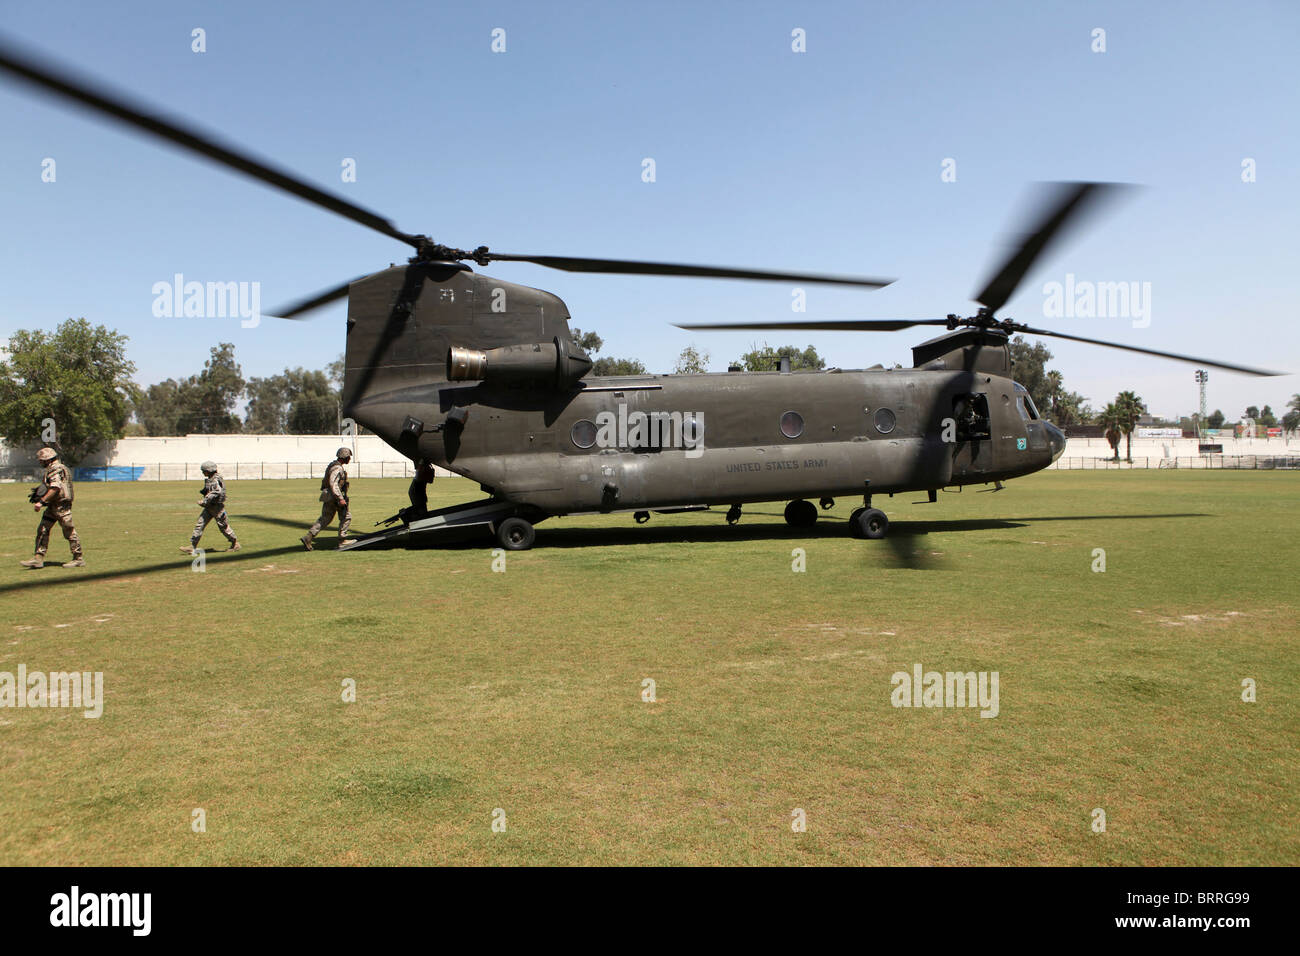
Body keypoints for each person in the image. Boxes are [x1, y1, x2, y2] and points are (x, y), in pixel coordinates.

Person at [20, 446, 83, 569]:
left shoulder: (56, 469)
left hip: (61, 506)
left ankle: (78, 558)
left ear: (48, 459)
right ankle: (38, 558)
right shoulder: (56, 468)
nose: (40, 462)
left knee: (69, 531)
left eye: (41, 460)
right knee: (43, 529)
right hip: (54, 505)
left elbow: (55, 488)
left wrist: (41, 501)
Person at [180, 461, 239, 555]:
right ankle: (192, 546)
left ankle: (235, 543)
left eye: (204, 471)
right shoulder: (211, 478)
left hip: (217, 508)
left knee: (223, 527)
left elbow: (217, 491)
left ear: (209, 470)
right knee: (199, 525)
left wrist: (204, 501)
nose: (203, 473)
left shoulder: (215, 479)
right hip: (209, 507)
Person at [302, 447, 353, 550]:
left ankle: (308, 537)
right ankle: (342, 540)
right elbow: (333, 483)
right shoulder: (337, 468)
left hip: (329, 496)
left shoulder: (332, 465)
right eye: (348, 457)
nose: (349, 459)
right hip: (335, 497)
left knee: (325, 519)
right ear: (344, 457)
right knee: (346, 517)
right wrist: (340, 498)